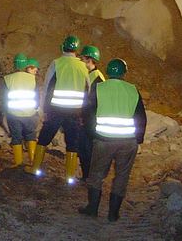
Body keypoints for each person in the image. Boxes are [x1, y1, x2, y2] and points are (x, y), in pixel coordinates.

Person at [79, 58, 147, 221]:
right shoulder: (132, 90)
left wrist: (92, 134)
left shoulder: (99, 88)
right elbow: (141, 117)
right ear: (124, 73)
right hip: (127, 141)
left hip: (104, 140)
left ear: (108, 72)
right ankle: (113, 213)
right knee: (122, 176)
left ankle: (92, 208)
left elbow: (88, 113)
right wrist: (139, 138)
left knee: (96, 175)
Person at [26, 35, 89, 183]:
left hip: (56, 110)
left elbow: (48, 87)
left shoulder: (57, 63)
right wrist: (83, 112)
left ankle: (35, 168)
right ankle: (69, 176)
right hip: (75, 111)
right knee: (72, 143)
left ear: (63, 47)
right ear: (77, 49)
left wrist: (44, 109)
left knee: (44, 138)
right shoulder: (83, 66)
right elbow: (88, 90)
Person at [2, 53, 39, 167]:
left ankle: (18, 163)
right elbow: (36, 97)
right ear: (26, 65)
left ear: (14, 64)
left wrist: (5, 111)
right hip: (30, 113)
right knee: (31, 136)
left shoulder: (8, 79)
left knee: (16, 137)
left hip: (14, 114)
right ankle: (33, 162)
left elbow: (4, 98)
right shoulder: (33, 78)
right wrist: (36, 109)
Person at [78, 45, 105, 180]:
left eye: (82, 59)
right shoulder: (91, 75)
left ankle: (89, 176)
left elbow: (92, 102)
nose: (81, 61)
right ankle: (87, 176)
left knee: (87, 149)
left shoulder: (96, 77)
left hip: (91, 120)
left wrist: (84, 117)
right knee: (85, 148)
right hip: (89, 118)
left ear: (89, 60)